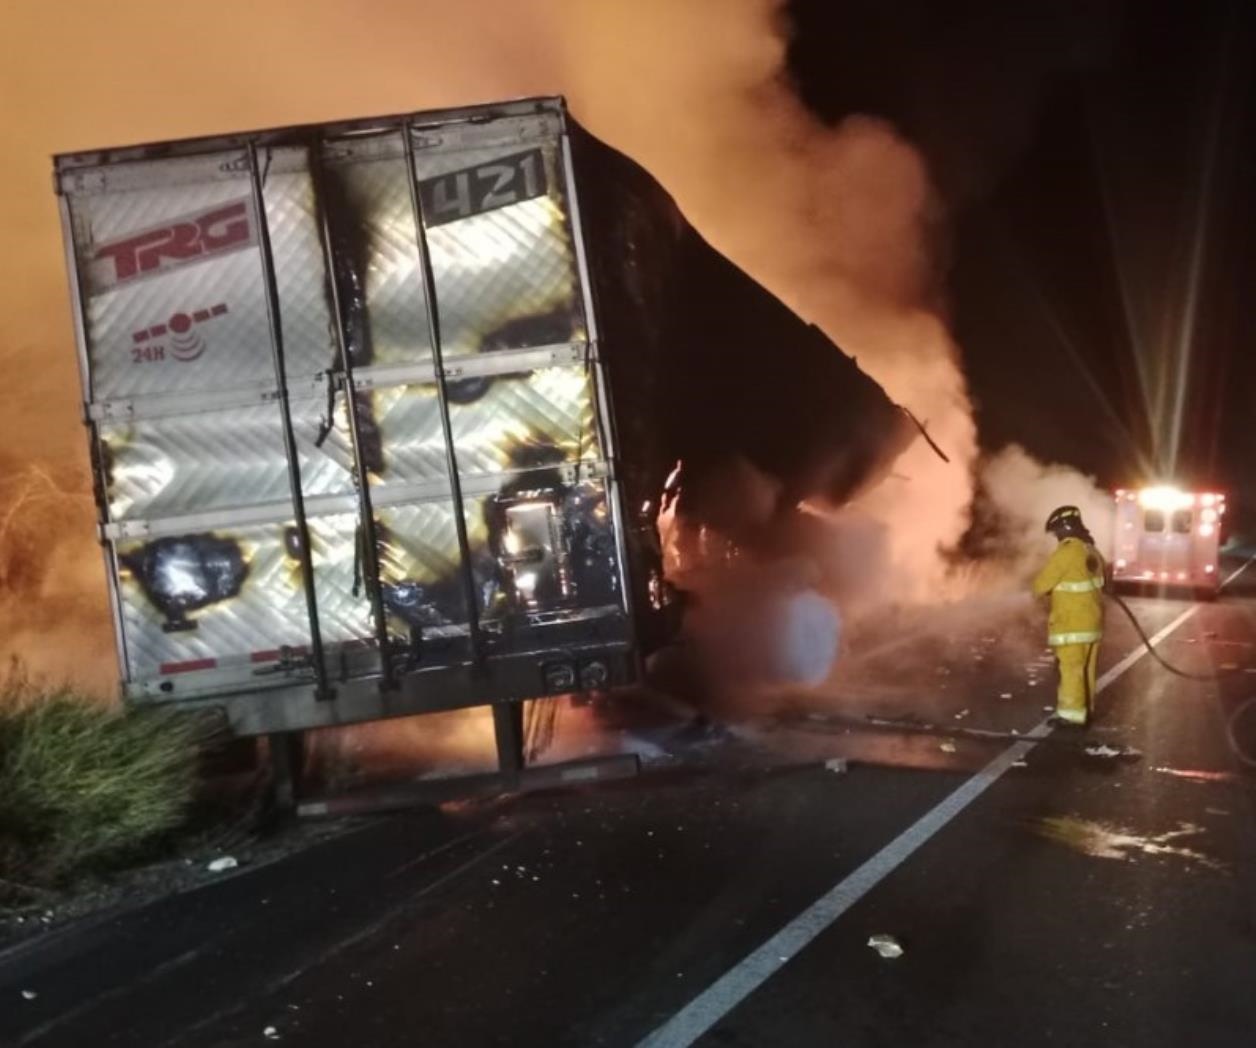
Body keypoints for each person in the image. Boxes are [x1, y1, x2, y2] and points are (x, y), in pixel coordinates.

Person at [1032, 506, 1107, 727]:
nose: (1056, 537)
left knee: (1071, 669)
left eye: (1057, 532)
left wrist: (1036, 592)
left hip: (1072, 623)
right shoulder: (1091, 550)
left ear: (1065, 528)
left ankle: (1071, 716)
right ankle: (1086, 709)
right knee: (1086, 669)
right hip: (1092, 622)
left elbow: (1041, 584)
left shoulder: (1067, 552)